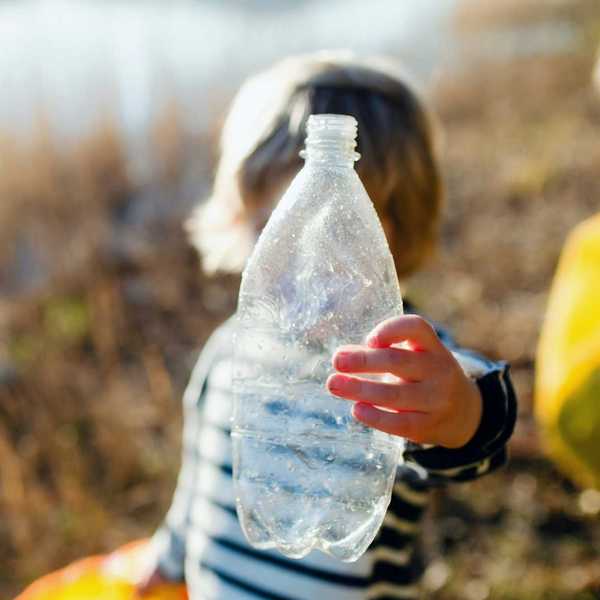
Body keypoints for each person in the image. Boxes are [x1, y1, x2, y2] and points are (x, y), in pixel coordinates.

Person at [137, 52, 517, 600]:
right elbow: (197, 482)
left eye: (336, 239)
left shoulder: (401, 365)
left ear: (389, 238)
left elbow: (481, 432)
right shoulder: (228, 351)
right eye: (273, 225)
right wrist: (169, 555)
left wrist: (457, 410)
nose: (300, 264)